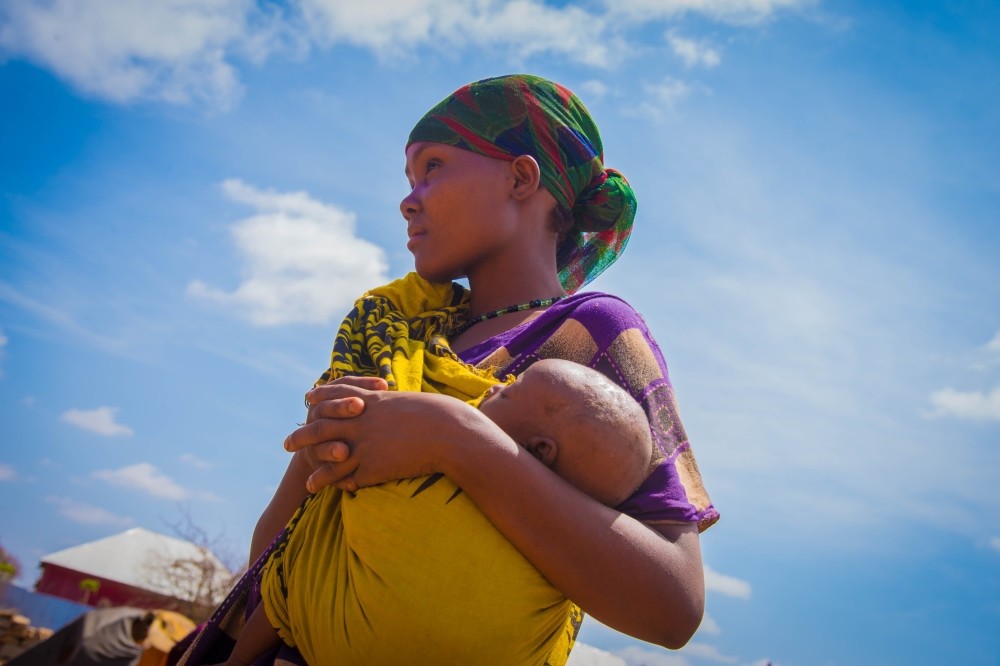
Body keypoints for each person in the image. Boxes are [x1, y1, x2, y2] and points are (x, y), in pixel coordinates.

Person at [180, 73, 718, 666]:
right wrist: (322, 449)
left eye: (433, 166)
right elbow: (271, 556)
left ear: (521, 177)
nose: (409, 199)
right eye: (408, 179)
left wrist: (455, 438)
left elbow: (674, 606)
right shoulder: (400, 331)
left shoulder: (594, 331)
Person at [212, 356, 653, 666]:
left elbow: (283, 552)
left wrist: (442, 429)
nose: (496, 384)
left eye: (511, 389)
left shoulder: (426, 468)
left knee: (289, 583)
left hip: (309, 633)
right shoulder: (557, 552)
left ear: (540, 450)